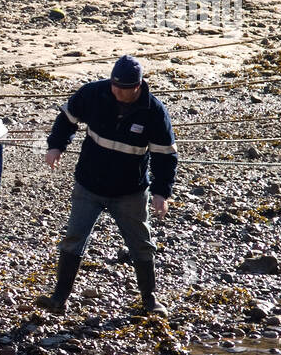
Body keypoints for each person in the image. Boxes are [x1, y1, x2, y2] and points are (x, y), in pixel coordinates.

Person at [36, 55, 177, 317]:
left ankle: (150, 301)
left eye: (125, 88)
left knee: (141, 244)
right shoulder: (93, 93)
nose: (118, 92)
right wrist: (56, 146)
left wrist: (161, 193)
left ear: (138, 85)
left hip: (130, 192)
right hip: (88, 184)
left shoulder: (154, 112)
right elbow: (67, 118)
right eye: (115, 86)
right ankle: (59, 298)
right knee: (73, 238)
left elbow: (164, 156)